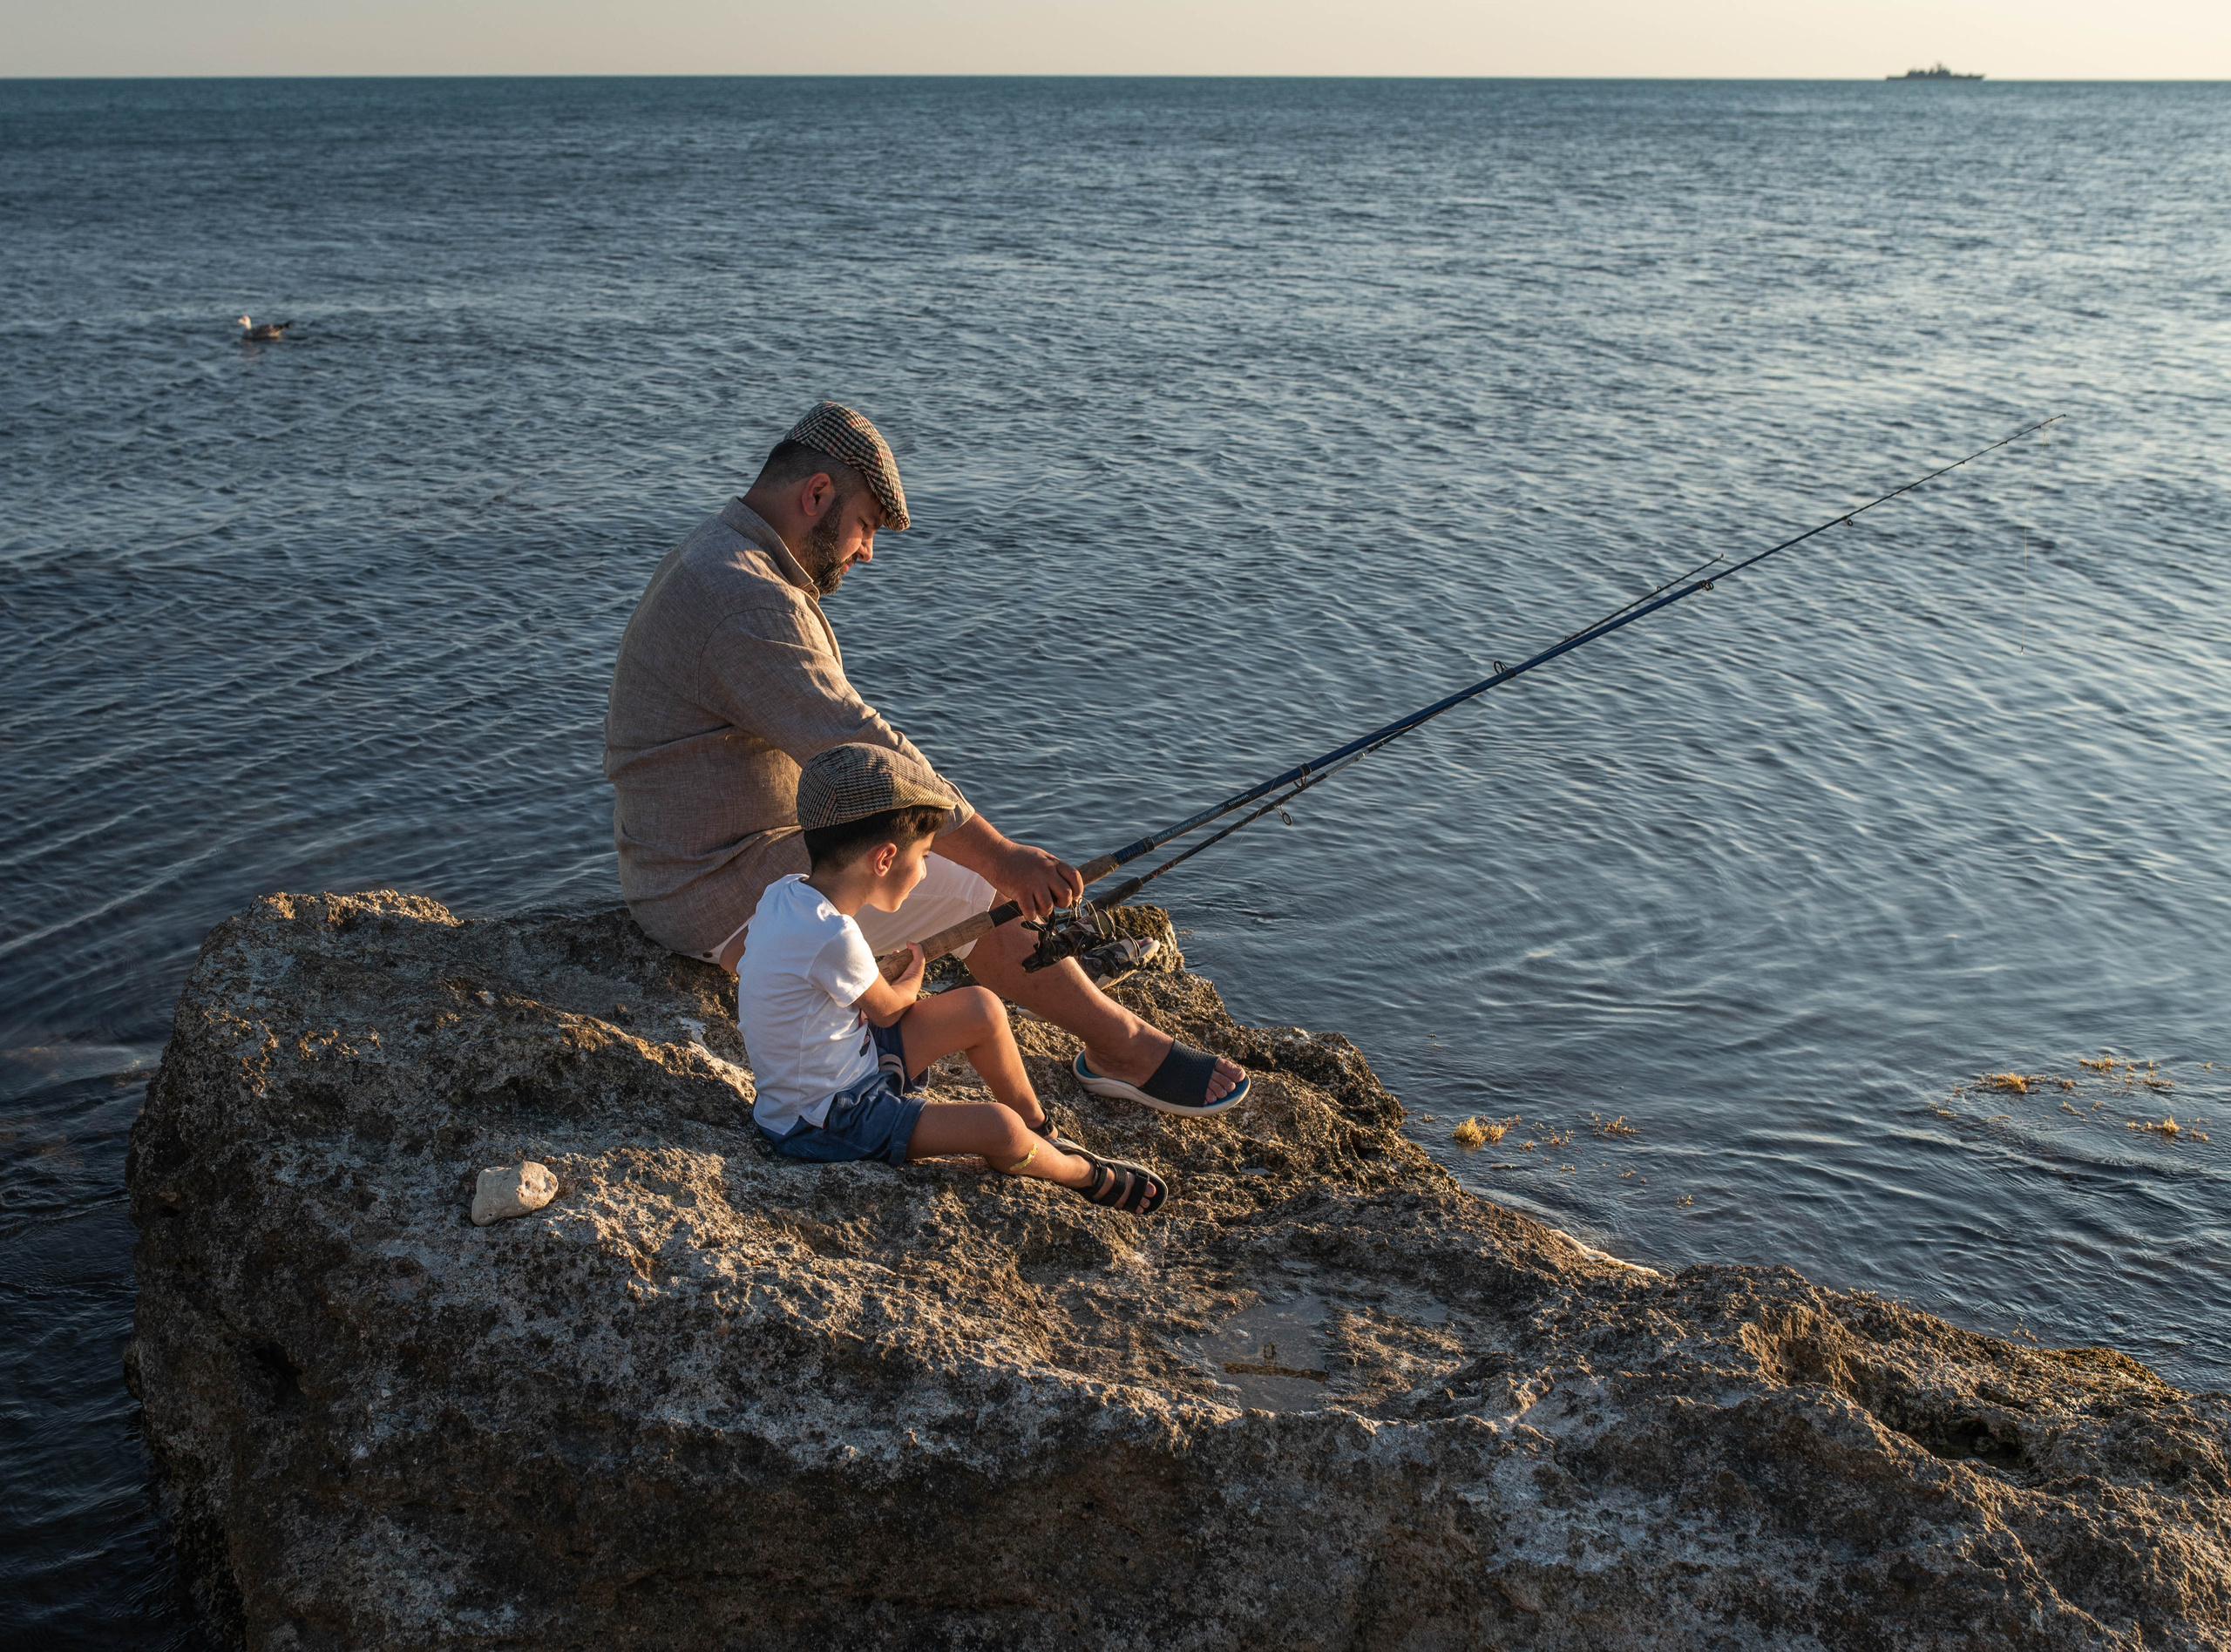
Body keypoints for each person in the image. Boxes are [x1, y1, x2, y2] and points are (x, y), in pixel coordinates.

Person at [603, 399, 1247, 1118]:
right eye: (865, 526)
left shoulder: (726, 555)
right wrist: (1000, 858)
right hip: (713, 887)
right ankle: (1121, 1050)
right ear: (816, 495)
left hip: (706, 859)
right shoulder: (745, 598)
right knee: (977, 887)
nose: (868, 552)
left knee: (927, 852)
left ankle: (891, 1036)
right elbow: (861, 742)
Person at [738, 744, 1171, 1215]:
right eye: (924, 855)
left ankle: (1042, 1131)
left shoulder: (783, 893)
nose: (925, 872)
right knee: (998, 1129)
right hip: (827, 1120)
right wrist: (914, 974)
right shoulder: (835, 936)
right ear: (884, 859)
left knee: (981, 1007)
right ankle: (1078, 1173)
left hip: (845, 1064)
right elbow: (888, 1008)